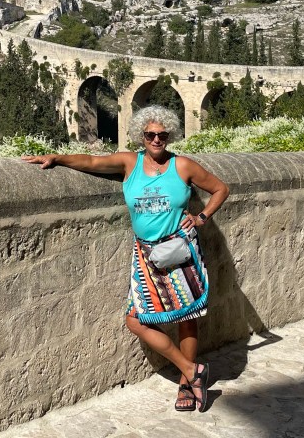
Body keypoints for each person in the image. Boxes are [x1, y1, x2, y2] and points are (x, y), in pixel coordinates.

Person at [23, 105, 229, 413]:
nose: (156, 139)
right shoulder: (130, 162)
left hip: (180, 249)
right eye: (150, 134)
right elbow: (93, 162)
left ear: (169, 135)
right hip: (146, 254)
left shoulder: (183, 165)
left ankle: (187, 384)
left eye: (162, 135)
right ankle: (191, 369)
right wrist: (58, 158)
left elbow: (220, 189)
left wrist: (201, 217)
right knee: (135, 320)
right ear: (141, 135)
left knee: (187, 318)